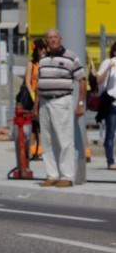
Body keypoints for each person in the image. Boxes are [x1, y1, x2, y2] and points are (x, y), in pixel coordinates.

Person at [34, 27, 87, 188]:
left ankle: (67, 176)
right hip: (45, 102)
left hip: (61, 100)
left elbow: (82, 80)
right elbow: (39, 84)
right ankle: (52, 174)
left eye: (55, 37)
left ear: (60, 38)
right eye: (49, 38)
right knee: (48, 140)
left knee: (64, 139)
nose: (52, 40)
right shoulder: (43, 59)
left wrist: (80, 103)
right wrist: (36, 105)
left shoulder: (71, 57)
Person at [25, 38, 46, 159]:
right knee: (34, 127)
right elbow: (28, 81)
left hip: (44, 97)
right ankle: (32, 151)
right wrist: (33, 95)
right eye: (41, 48)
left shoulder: (46, 62)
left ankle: (40, 150)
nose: (43, 50)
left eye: (44, 48)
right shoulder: (31, 64)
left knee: (42, 127)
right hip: (33, 97)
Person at [96, 41, 116, 170]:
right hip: (112, 103)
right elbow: (98, 80)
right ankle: (110, 161)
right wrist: (109, 67)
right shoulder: (108, 63)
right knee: (110, 134)